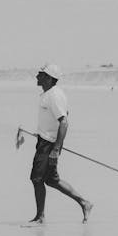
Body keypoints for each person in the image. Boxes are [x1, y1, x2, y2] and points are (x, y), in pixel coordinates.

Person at [30, 63, 93, 224]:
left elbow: (64, 122)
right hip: (46, 141)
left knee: (37, 179)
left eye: (41, 74)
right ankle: (84, 203)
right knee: (51, 180)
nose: (37, 76)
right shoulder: (49, 93)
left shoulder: (54, 95)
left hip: (48, 145)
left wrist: (56, 148)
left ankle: (40, 217)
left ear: (49, 78)